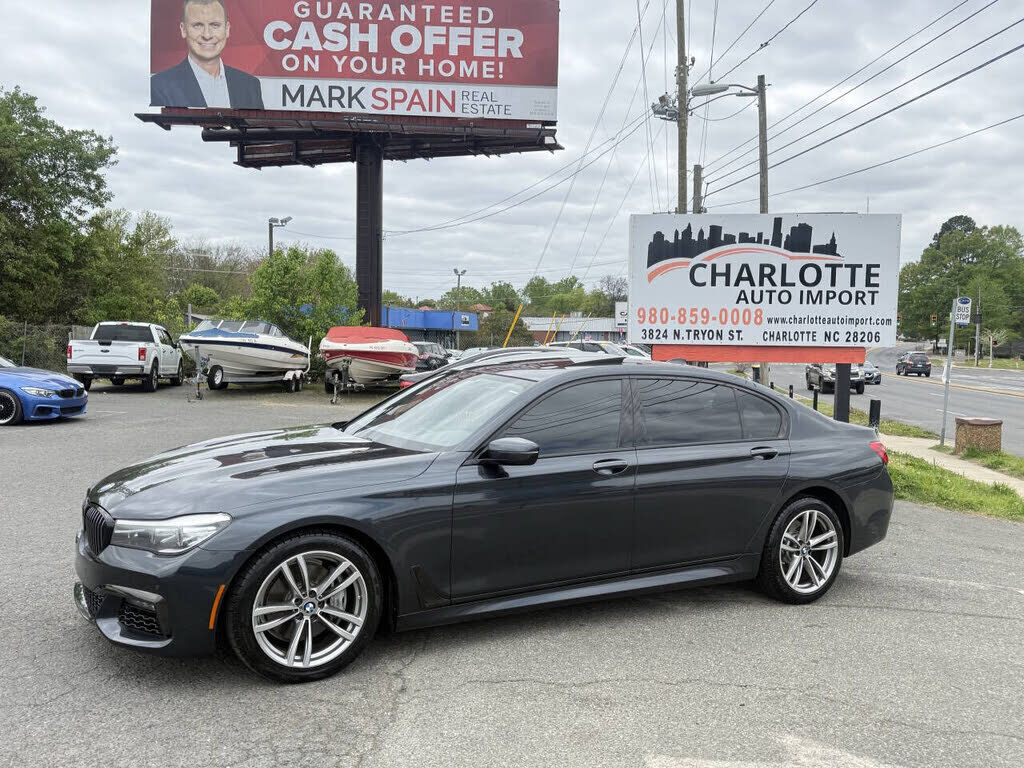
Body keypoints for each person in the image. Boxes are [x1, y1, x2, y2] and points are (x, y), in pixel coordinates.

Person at [151, 0, 264, 110]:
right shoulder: (160, 85)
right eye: (197, 25)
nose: (207, 35)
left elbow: (258, 128)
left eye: (215, 25)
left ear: (227, 29)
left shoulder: (250, 85)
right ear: (183, 30)